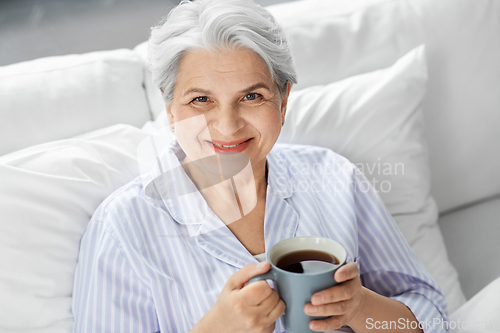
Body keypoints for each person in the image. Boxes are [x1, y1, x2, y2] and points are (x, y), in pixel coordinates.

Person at [72, 0, 448, 332]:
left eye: (252, 96)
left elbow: (430, 313)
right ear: (170, 111)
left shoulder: (335, 178)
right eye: (201, 99)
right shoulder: (122, 227)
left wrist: (361, 307)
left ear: (282, 103)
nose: (227, 125)